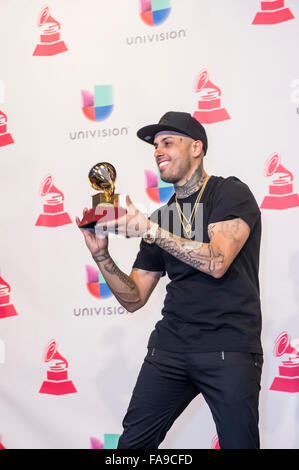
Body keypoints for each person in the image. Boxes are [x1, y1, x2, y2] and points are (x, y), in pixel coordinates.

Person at [76, 111, 263, 449]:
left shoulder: (229, 192)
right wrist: (101, 255)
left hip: (228, 347)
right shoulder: (163, 216)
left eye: (167, 142)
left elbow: (218, 261)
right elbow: (134, 297)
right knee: (131, 449)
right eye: (154, 146)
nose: (157, 151)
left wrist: (149, 229)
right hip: (171, 347)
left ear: (196, 148)